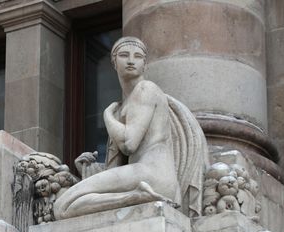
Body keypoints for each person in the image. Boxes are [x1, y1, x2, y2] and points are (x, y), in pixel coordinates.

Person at [53, 37, 202, 220]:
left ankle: (140, 196)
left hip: (153, 175)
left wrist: (107, 115)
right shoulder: (125, 105)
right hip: (146, 177)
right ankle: (136, 197)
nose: (131, 60)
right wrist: (89, 169)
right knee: (64, 209)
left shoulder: (145, 89)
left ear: (145, 65)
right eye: (124, 55)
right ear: (114, 63)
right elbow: (118, 166)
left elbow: (129, 144)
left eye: (138, 56)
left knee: (62, 205)